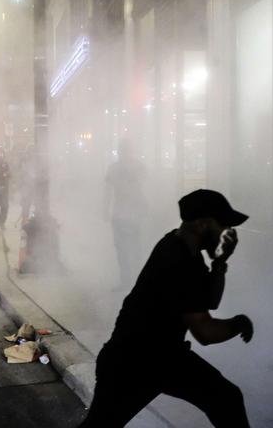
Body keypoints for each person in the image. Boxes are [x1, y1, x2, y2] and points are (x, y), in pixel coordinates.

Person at [81, 189, 254, 428]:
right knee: (226, 398)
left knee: (226, 398)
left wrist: (220, 262)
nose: (227, 232)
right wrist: (239, 323)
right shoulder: (179, 261)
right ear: (203, 224)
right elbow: (205, 332)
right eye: (222, 224)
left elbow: (208, 301)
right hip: (134, 364)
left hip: (161, 358)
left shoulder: (182, 248)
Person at [104, 140, 146, 290]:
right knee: (131, 248)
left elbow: (108, 192)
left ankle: (129, 280)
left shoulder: (114, 168)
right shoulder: (138, 166)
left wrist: (104, 209)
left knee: (127, 249)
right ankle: (133, 280)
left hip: (124, 213)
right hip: (127, 213)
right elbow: (144, 188)